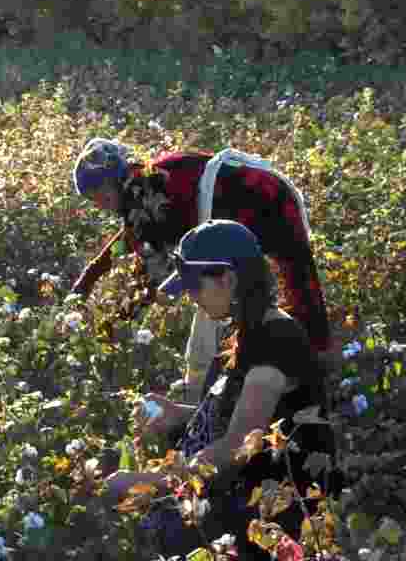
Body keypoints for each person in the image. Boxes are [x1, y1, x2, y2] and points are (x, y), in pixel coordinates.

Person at [100, 219, 342, 559]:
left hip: (267, 515)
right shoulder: (246, 329)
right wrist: (177, 414)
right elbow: (237, 412)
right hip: (235, 492)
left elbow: (238, 447)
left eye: (195, 286)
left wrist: (152, 481)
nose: (190, 297)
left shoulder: (276, 340)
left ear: (227, 279)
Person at [69, 138, 337, 402]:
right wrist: (87, 280)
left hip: (266, 204)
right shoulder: (142, 186)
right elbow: (129, 238)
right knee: (259, 295)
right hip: (260, 198)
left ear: (115, 181)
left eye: (99, 194)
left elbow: (151, 271)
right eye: (92, 199)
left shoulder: (152, 193)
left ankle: (292, 379)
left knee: (264, 294)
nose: (99, 204)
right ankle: (282, 369)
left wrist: (117, 323)